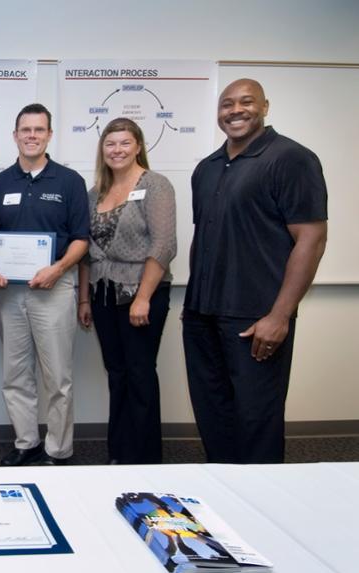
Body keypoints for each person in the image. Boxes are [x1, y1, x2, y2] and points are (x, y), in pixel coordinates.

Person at [183, 78, 327, 464]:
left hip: (255, 316)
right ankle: (223, 492)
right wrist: (192, 305)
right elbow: (204, 236)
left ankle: (262, 506)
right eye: (227, 104)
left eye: (246, 102)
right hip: (202, 314)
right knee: (213, 413)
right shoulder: (207, 168)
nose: (235, 110)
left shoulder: (291, 159)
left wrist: (280, 316)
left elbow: (310, 240)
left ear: (265, 106)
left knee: (256, 418)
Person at [0, 103, 90, 467]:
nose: (31, 135)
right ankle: (26, 442)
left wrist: (58, 269)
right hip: (10, 293)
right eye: (25, 129)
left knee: (58, 377)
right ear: (15, 135)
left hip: (53, 289)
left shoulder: (69, 182)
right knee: (15, 374)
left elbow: (81, 239)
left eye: (39, 130)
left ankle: (58, 451)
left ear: (49, 135)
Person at [77, 118, 176, 465]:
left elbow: (164, 245)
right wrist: (85, 299)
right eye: (110, 144)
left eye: (124, 143)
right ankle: (118, 453)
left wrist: (144, 297)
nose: (116, 150)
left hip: (141, 293)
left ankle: (146, 459)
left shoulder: (155, 185)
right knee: (117, 374)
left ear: (137, 146)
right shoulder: (95, 194)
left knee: (140, 373)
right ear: (102, 150)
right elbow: (87, 251)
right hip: (103, 295)